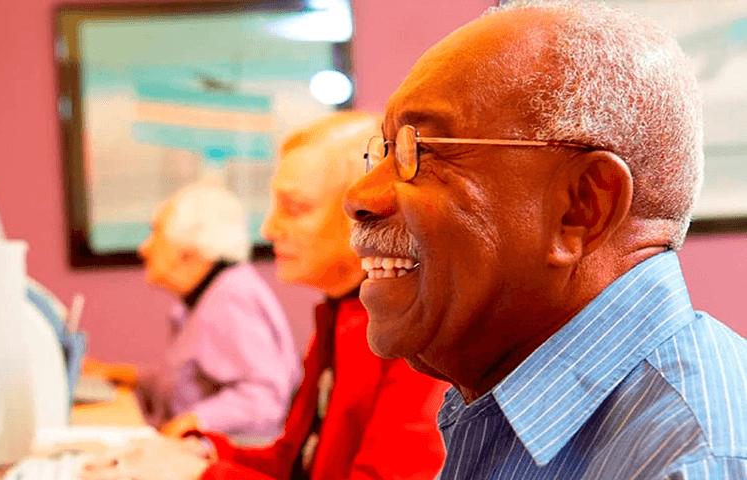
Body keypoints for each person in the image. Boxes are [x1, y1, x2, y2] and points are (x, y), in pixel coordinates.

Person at [342, 1, 747, 479]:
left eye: (421, 152)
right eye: (385, 152)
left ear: (581, 207)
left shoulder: (692, 461)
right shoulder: (510, 400)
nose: (358, 197)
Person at [81, 112, 448, 480]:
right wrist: (205, 452)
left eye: (293, 208)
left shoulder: (416, 341)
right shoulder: (338, 317)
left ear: (369, 212)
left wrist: (201, 473)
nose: (269, 228)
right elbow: (295, 463)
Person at [85, 182, 301, 446]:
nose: (144, 248)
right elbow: (188, 383)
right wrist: (118, 373)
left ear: (188, 251)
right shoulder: (209, 296)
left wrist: (192, 422)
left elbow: (264, 397)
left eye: (156, 233)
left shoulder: (230, 298)